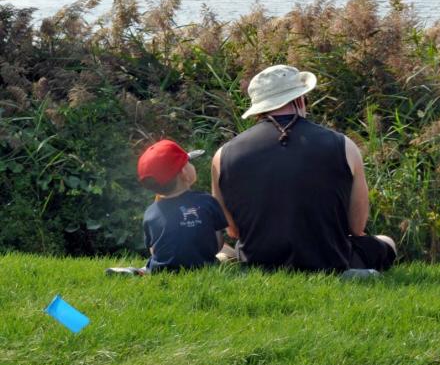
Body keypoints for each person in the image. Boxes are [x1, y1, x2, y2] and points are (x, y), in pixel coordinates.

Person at [211, 64, 396, 273]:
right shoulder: (345, 146)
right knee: (386, 242)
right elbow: (356, 227)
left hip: (259, 264)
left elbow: (233, 230)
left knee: (225, 251)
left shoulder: (222, 155)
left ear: (259, 109)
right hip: (329, 263)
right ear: (300, 99)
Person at [137, 139, 227, 273]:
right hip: (204, 267)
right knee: (227, 253)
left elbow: (154, 250)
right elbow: (217, 244)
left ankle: (143, 270)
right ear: (184, 173)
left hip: (162, 270)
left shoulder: (151, 213)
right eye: (188, 162)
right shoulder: (208, 202)